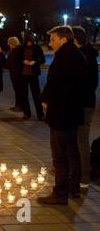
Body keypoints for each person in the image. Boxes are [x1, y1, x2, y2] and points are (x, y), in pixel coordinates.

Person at [37, 26, 88, 205]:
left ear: (63, 39)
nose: (50, 43)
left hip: (61, 114)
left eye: (53, 39)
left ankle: (60, 193)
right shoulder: (78, 56)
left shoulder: (63, 58)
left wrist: (45, 99)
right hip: (73, 113)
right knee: (72, 152)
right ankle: (73, 189)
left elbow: (54, 83)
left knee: (59, 155)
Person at [73, 26, 99, 187]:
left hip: (83, 104)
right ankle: (78, 172)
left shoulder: (83, 57)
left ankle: (83, 177)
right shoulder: (87, 54)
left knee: (81, 140)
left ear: (75, 40)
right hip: (85, 102)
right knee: (78, 139)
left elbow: (87, 83)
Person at [16, 35, 46, 120]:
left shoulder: (37, 48)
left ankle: (40, 114)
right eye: (28, 41)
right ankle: (26, 113)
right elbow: (17, 59)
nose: (29, 43)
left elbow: (42, 59)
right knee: (24, 95)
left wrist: (35, 62)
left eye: (31, 41)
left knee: (36, 95)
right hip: (23, 75)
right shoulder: (20, 48)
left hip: (33, 74)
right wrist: (23, 61)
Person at [6, 37, 23, 112]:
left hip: (17, 74)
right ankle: (17, 105)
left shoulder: (18, 50)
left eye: (9, 43)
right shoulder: (13, 50)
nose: (9, 45)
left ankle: (20, 106)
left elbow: (16, 62)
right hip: (13, 73)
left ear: (13, 43)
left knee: (19, 91)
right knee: (17, 90)